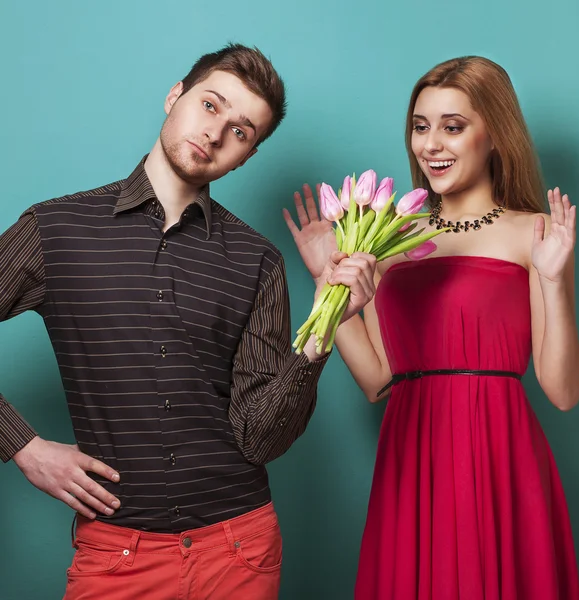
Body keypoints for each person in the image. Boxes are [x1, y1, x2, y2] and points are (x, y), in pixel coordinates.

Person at [0, 43, 376, 600]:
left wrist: (320, 334)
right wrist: (24, 447)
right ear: (175, 95)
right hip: (116, 556)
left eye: (241, 131)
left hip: (240, 549)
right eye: (210, 105)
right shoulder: (55, 229)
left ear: (245, 157)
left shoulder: (258, 261)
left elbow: (259, 438)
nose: (216, 133)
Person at [285, 56, 579, 599]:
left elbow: (562, 392)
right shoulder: (389, 235)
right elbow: (377, 379)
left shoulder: (533, 231)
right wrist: (326, 285)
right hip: (411, 453)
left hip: (498, 454)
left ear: (495, 134)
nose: (431, 145)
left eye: (453, 126)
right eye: (421, 127)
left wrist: (555, 280)